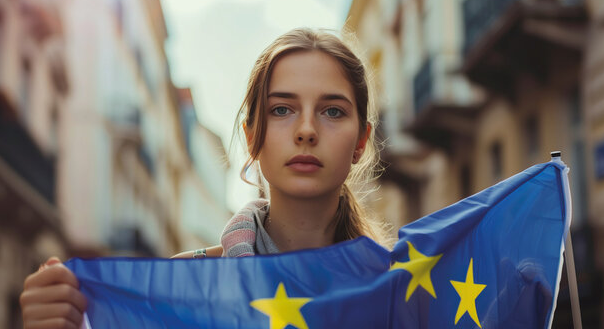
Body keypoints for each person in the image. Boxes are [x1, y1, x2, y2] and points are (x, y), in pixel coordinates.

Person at [20, 28, 389, 328]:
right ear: (251, 138)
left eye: (333, 111)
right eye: (281, 109)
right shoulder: (184, 285)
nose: (306, 130)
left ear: (360, 141)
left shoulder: (400, 288)